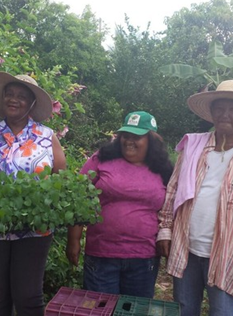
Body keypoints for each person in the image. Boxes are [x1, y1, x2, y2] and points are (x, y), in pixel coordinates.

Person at [156, 80, 233, 316]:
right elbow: (173, 190)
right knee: (184, 311)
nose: (225, 115)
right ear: (211, 113)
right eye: (219, 108)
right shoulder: (194, 147)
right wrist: (165, 230)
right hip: (187, 248)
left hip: (229, 255)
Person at [0, 72, 66, 315]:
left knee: (28, 296)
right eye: (9, 94)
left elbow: (63, 182)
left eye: (22, 96)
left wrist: (43, 201)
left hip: (34, 229)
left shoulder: (47, 137)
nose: (14, 100)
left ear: (32, 103)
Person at [66, 111, 174, 298]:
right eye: (125, 135)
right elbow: (79, 197)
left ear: (151, 140)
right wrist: (73, 241)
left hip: (143, 257)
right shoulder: (102, 158)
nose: (128, 141)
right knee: (100, 311)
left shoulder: (163, 169)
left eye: (136, 137)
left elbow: (171, 207)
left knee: (134, 312)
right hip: (101, 255)